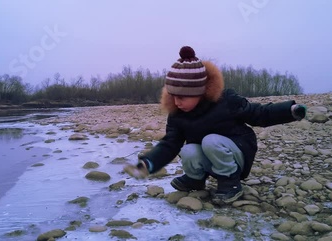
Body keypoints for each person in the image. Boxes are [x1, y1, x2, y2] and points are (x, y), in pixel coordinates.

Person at [124, 46, 307, 205]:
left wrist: (289, 111)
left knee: (210, 141)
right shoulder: (178, 115)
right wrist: (149, 162)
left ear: (200, 92)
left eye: (182, 97)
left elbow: (258, 113)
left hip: (237, 153)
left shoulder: (226, 101)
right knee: (188, 150)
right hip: (212, 155)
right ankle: (195, 180)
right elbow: (170, 144)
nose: (177, 102)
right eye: (173, 96)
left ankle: (230, 182)